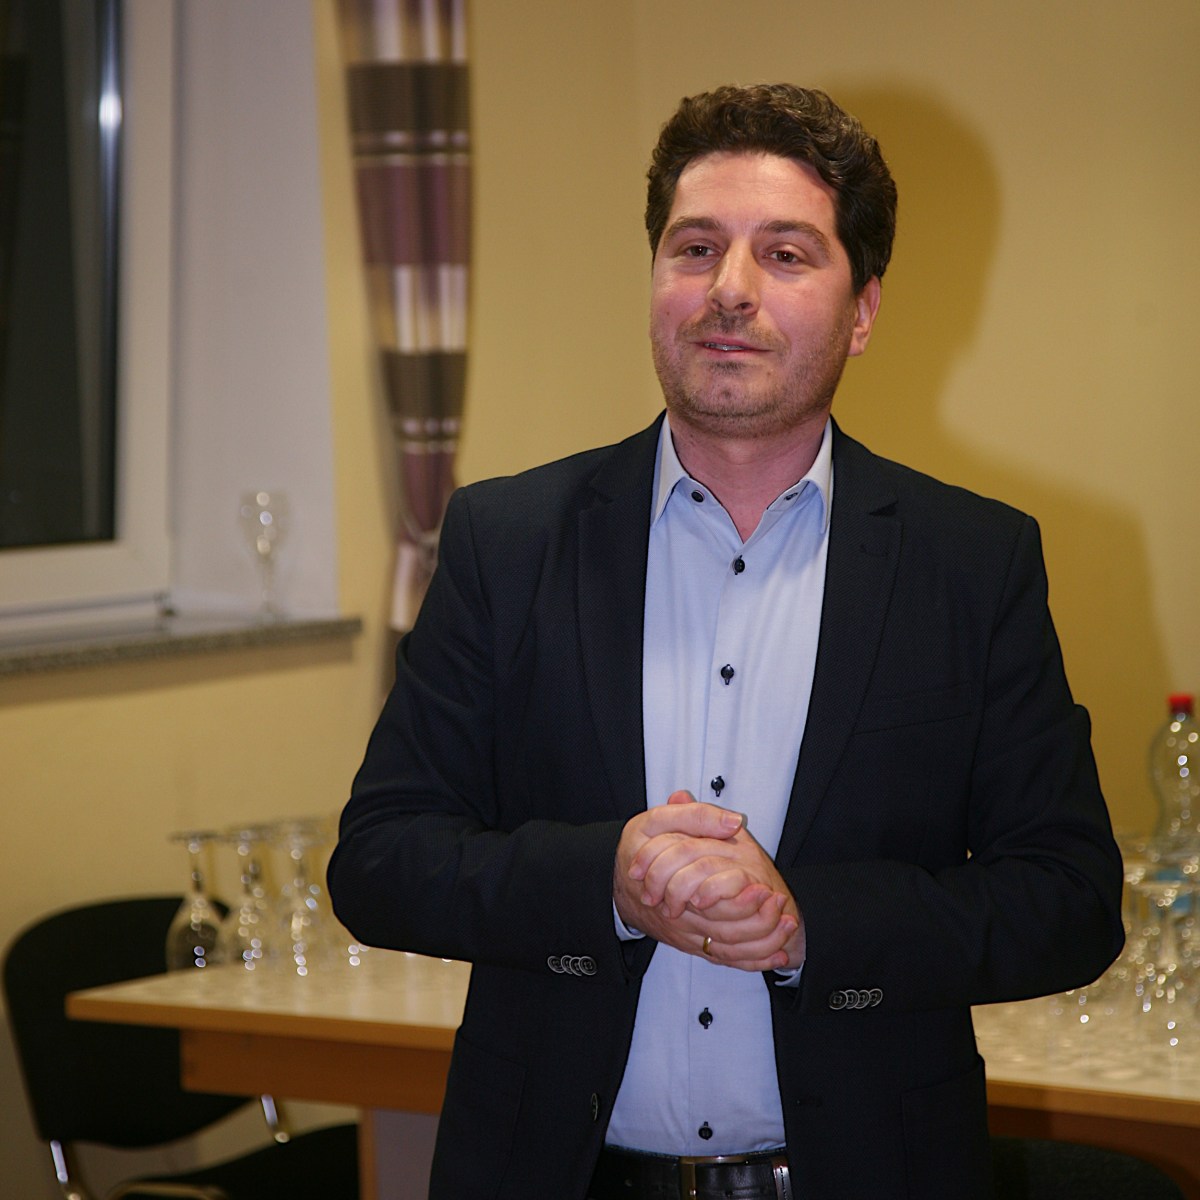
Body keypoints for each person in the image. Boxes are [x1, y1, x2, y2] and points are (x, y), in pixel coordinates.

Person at [328, 83, 1124, 1200]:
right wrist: (607, 883)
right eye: (695, 248)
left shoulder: (972, 562)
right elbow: (379, 861)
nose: (730, 289)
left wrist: (810, 927)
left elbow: (1069, 900)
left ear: (862, 312)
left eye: (786, 254)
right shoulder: (505, 542)